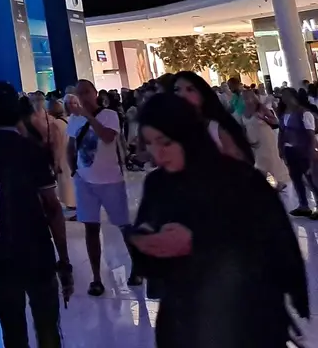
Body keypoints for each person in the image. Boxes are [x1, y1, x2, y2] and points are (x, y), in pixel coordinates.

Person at [128, 94, 309, 347]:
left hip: (244, 321)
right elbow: (149, 254)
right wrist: (147, 241)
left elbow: (273, 248)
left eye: (165, 142)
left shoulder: (241, 180)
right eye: (150, 144)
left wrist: (197, 242)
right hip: (187, 324)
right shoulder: (159, 184)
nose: (158, 155)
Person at [0, 82, 72, 348]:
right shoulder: (30, 150)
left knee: (12, 329)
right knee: (47, 328)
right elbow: (52, 207)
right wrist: (63, 257)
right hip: (37, 249)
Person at [65, 80, 138, 296]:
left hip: (111, 181)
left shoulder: (109, 115)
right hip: (85, 181)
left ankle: (138, 266)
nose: (84, 97)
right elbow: (71, 145)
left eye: (87, 92)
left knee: (124, 226)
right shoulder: (74, 119)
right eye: (79, 93)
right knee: (90, 228)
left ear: (95, 93)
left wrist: (88, 116)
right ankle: (96, 277)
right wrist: (73, 169)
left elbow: (107, 137)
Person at [172, 71, 252, 162]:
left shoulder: (216, 129)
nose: (182, 95)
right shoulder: (174, 130)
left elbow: (241, 167)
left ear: (202, 94)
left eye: (190, 89)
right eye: (176, 90)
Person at [277, 87, 318, 216]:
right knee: (296, 179)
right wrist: (280, 148)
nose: (284, 98)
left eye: (287, 95)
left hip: (303, 151)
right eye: (283, 96)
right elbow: (281, 133)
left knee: (311, 180)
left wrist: (313, 152)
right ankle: (303, 205)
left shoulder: (304, 113)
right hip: (289, 151)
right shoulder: (283, 114)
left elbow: (311, 135)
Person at [242, 89, 289, 193]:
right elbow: (245, 127)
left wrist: (263, 118)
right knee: (260, 165)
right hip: (253, 141)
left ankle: (276, 184)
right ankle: (275, 184)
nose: (246, 99)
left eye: (247, 97)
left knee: (268, 163)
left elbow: (275, 121)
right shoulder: (244, 110)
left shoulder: (260, 107)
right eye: (244, 97)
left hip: (265, 138)